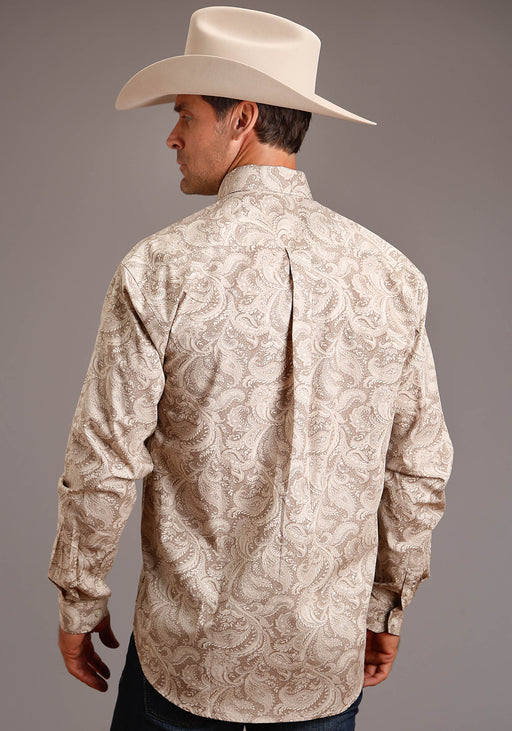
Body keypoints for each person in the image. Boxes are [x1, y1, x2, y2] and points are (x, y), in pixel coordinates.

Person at [48, 7, 454, 730]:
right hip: (321, 662)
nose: (173, 136)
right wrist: (386, 605)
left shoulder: (160, 268)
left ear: (242, 118)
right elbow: (419, 467)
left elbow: (104, 459)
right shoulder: (391, 275)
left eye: (184, 115)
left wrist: (80, 600)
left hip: (188, 657)